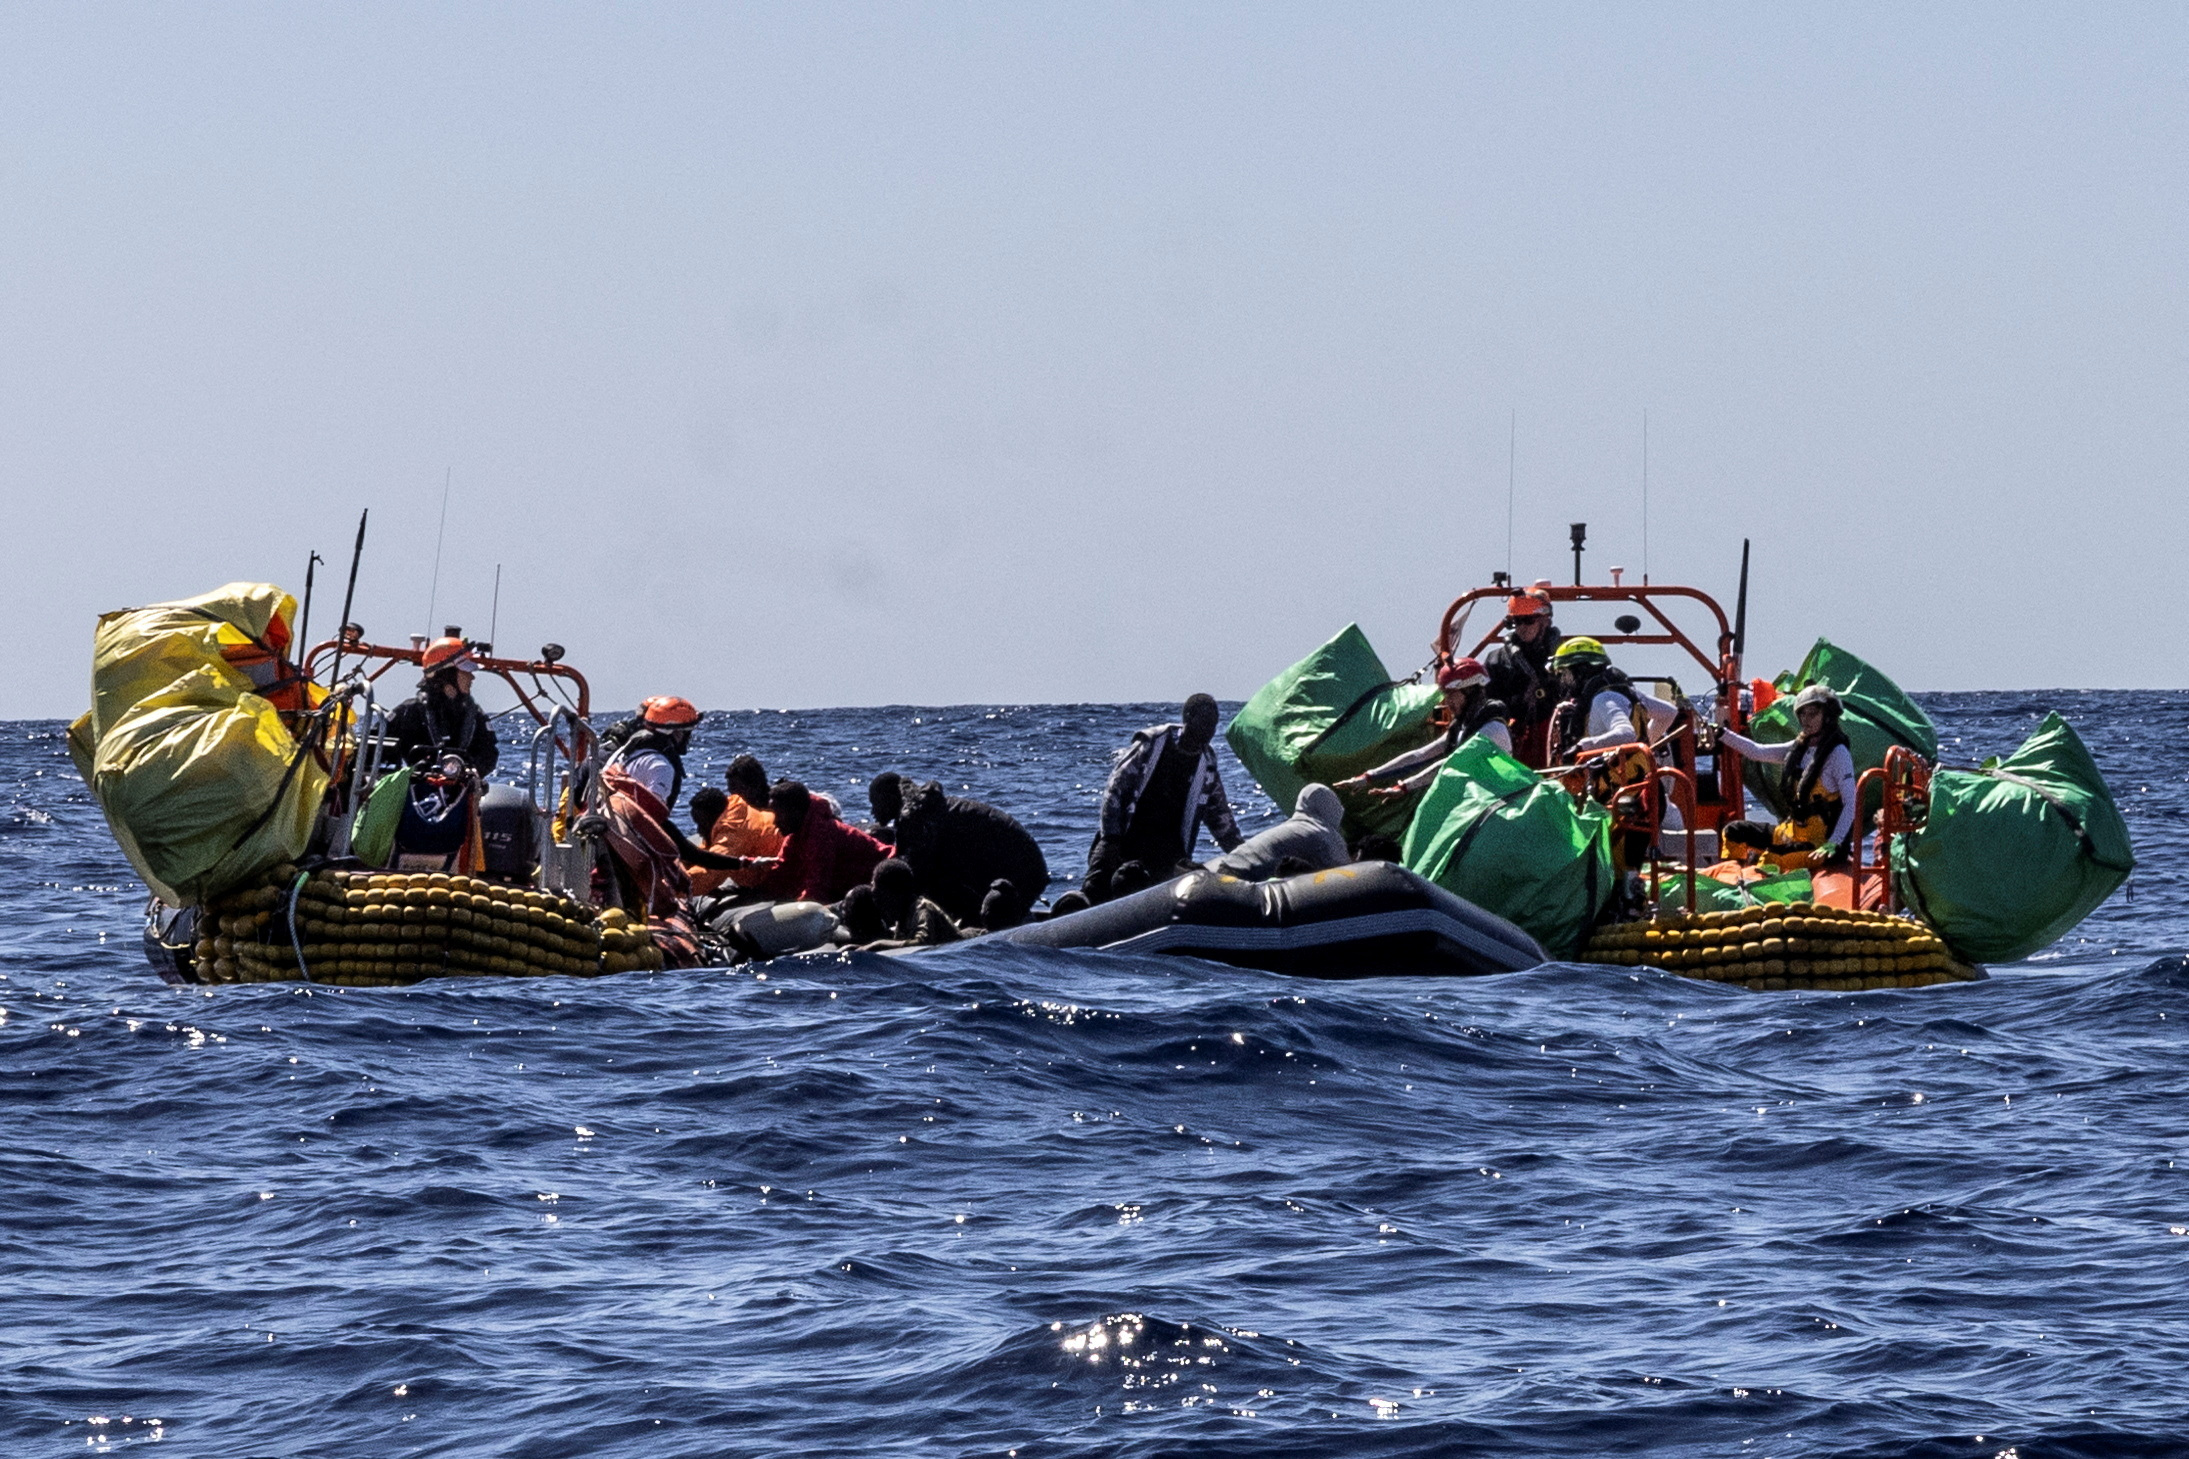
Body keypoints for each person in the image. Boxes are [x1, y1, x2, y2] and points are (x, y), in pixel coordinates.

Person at [1086, 693, 1242, 898]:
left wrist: (1241, 853)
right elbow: (1115, 790)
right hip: (1125, 837)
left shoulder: (1207, 764)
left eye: (1213, 725)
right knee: (1097, 884)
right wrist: (1110, 839)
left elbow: (1219, 816)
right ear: (1188, 718)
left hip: (1167, 848)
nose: (1209, 731)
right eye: (1204, 723)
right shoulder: (1152, 744)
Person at [1715, 684, 1858, 869]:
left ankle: (1756, 883)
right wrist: (1722, 734)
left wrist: (1834, 842)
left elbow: (1851, 803)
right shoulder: (1800, 747)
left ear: (1828, 716)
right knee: (1733, 831)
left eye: (1812, 714)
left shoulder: (1838, 754)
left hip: (1819, 844)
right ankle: (1730, 880)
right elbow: (1756, 752)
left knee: (1772, 858)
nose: (1806, 720)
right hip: (1792, 832)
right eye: (1802, 714)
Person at [1335, 658, 1513, 802]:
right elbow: (1420, 755)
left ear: (1471, 690)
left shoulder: (1493, 729)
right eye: (1446, 695)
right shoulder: (1462, 727)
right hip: (1474, 800)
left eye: (1452, 694)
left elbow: (1451, 764)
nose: (1448, 702)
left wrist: (1405, 786)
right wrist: (1367, 777)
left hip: (1496, 801)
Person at [888, 778, 1050, 925]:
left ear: (890, 799)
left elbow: (918, 873)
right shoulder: (932, 808)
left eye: (876, 803)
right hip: (1027, 866)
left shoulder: (917, 815)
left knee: (934, 879)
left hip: (1022, 871)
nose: (873, 811)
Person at [756, 780, 892, 904]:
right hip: (849, 885)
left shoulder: (820, 834)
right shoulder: (798, 832)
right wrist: (755, 894)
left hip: (886, 876)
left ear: (795, 812)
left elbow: (817, 890)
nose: (774, 822)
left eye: (779, 815)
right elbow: (781, 871)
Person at [1546, 638, 1679, 763]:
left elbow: (1626, 734)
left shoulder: (1604, 699)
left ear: (1580, 672)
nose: (1561, 680)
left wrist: (1582, 747)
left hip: (1621, 785)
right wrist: (1643, 744)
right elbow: (1668, 712)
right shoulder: (1627, 692)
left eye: (1563, 673)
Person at [388, 637, 499, 775]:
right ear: (446, 674)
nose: (472, 677)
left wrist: (473, 773)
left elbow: (488, 754)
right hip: (414, 791)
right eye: (465, 671)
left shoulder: (476, 716)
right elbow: (374, 749)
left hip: (461, 791)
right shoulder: (408, 712)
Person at [1480, 588, 1565, 766]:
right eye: (1517, 621)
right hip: (1513, 741)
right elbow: (1485, 706)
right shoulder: (1497, 660)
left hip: (1559, 739)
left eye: (1528, 620)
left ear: (1545, 620)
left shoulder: (1564, 657)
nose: (1522, 627)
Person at [1205, 783, 1351, 881]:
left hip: (1218, 870)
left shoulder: (1296, 826)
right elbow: (1348, 876)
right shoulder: (1323, 834)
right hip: (1242, 879)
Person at [687, 755, 785, 896]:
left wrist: (666, 889)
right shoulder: (734, 812)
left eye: (736, 789)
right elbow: (707, 852)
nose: (733, 794)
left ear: (754, 786)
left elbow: (711, 872)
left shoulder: (742, 822)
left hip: (776, 876)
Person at [853, 858, 964, 949]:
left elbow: (923, 944)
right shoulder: (903, 917)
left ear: (895, 893)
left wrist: (879, 945)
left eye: (880, 896)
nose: (877, 902)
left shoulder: (923, 910)